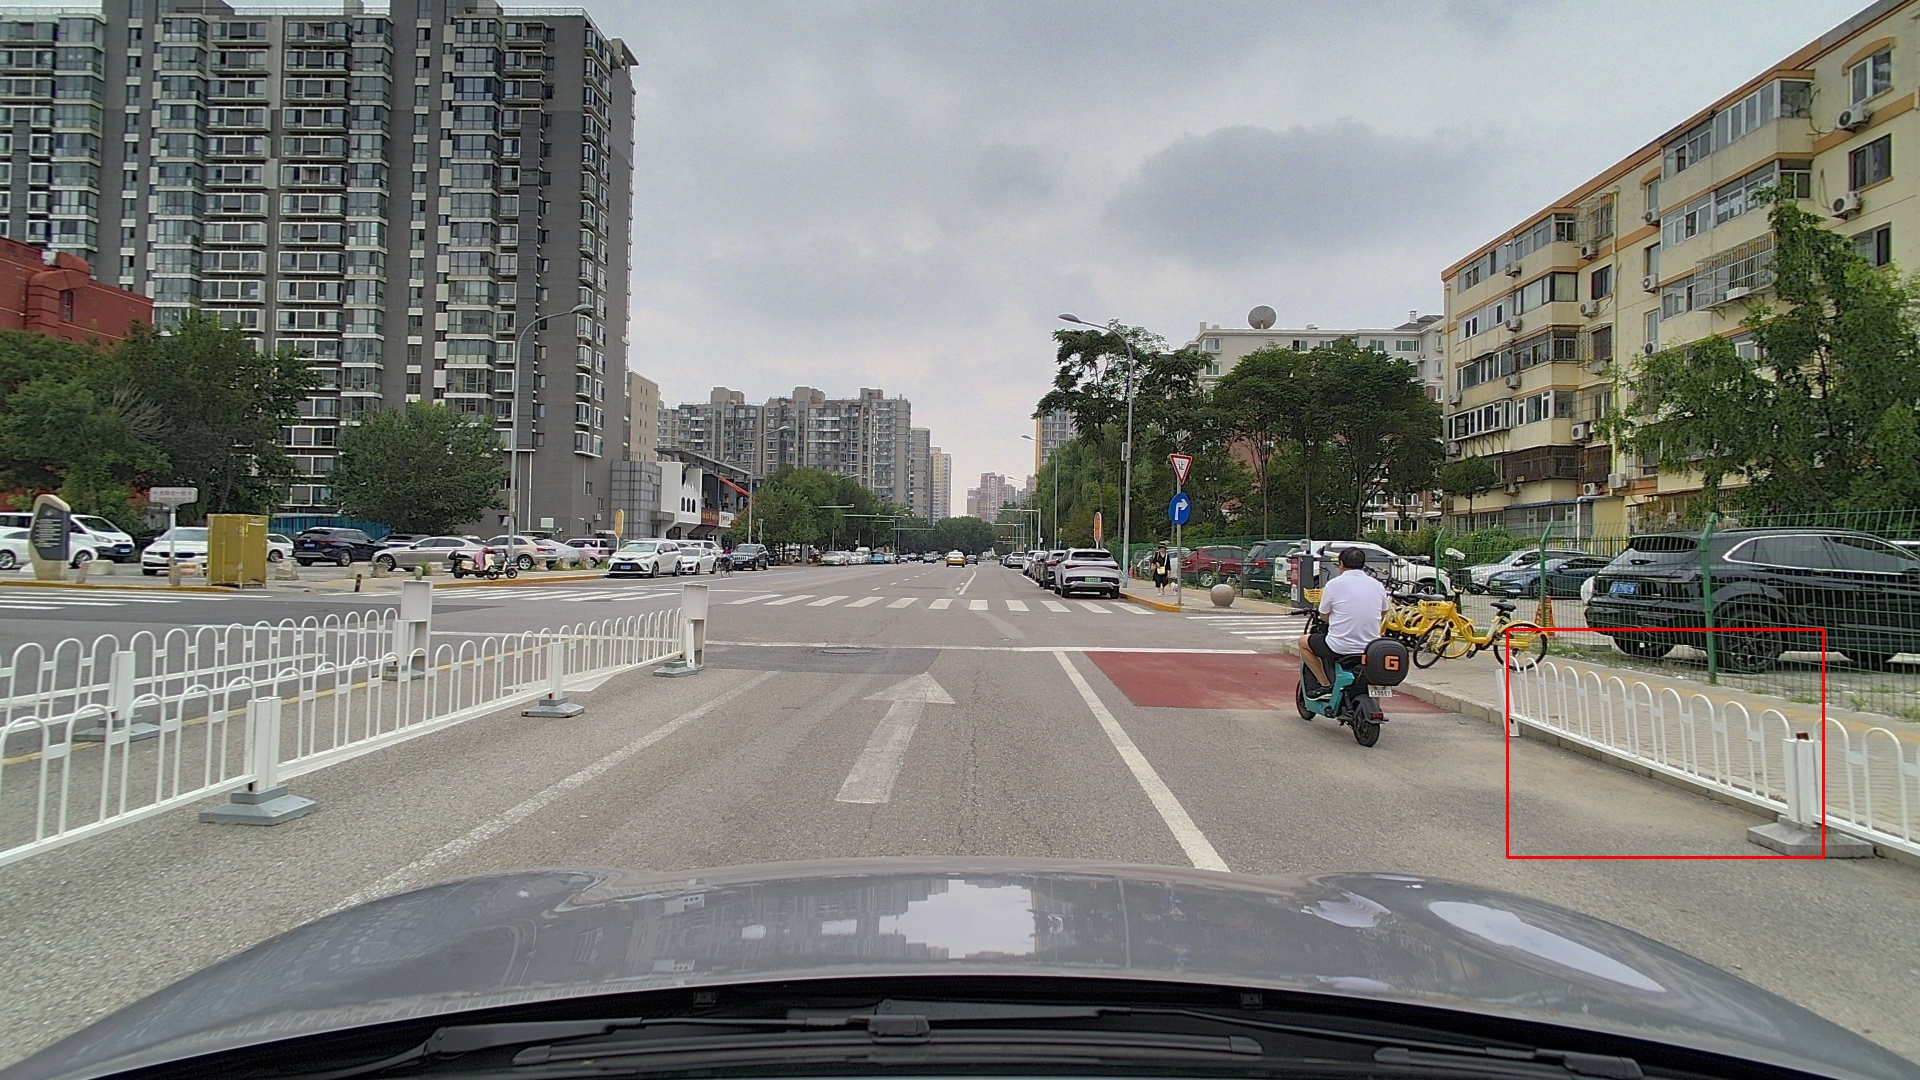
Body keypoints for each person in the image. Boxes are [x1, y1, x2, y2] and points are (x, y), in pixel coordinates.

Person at [1298, 546, 1392, 698]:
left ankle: (1325, 685)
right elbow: (1383, 611)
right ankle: (1375, 702)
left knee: (1303, 642)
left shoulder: (1334, 584)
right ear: (1363, 564)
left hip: (1339, 647)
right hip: (1370, 648)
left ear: (1341, 564)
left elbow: (1324, 615)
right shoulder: (1377, 585)